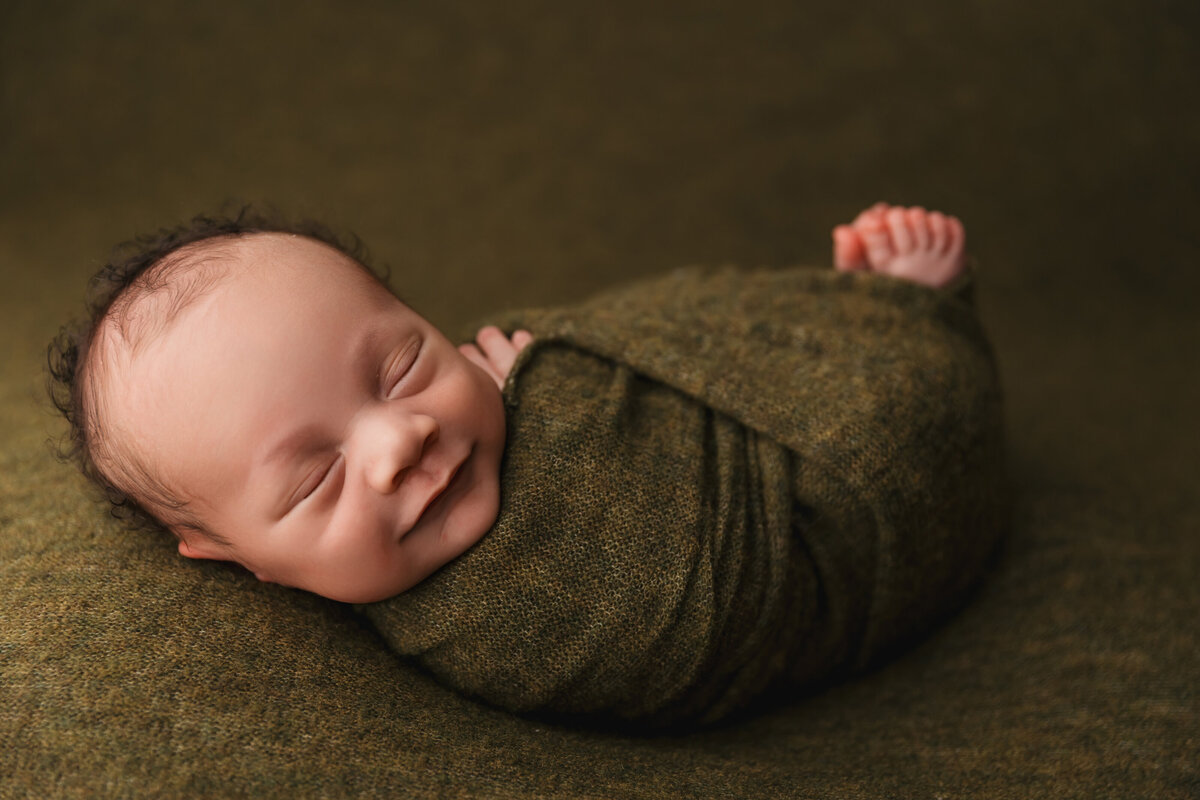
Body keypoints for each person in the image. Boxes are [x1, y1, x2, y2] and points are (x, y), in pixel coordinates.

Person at [47, 201, 968, 606]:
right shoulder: (491, 623)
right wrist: (571, 412)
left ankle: (878, 316)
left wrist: (547, 374)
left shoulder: (488, 380)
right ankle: (910, 325)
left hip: (746, 433)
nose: (400, 440)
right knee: (905, 432)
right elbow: (664, 614)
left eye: (403, 368)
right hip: (824, 546)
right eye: (318, 479)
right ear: (234, 554)